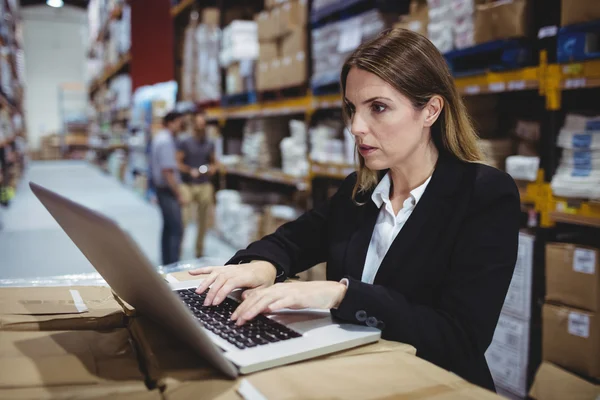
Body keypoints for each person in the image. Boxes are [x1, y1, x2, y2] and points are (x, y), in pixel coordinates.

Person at [189, 29, 520, 391]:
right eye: (352, 109)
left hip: (433, 386)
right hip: (356, 377)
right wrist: (263, 265)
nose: (356, 128)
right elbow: (293, 241)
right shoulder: (360, 191)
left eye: (378, 108)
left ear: (430, 110)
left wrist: (340, 295)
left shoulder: (483, 195)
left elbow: (459, 337)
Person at [177, 109, 218, 258]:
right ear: (193, 125)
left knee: (203, 221)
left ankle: (199, 250)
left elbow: (214, 163)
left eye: (203, 125)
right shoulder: (185, 142)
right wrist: (190, 171)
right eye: (198, 125)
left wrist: (211, 169)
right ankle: (178, 250)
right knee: (184, 220)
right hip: (187, 184)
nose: (201, 128)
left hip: (204, 183)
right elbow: (178, 163)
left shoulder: (209, 143)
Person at [150, 111, 186, 265]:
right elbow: (167, 171)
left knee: (168, 227)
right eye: (179, 122)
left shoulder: (160, 137)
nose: (181, 126)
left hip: (162, 189)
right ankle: (173, 265)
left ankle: (167, 262)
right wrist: (178, 193)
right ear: (171, 122)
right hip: (167, 190)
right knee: (176, 229)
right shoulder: (166, 141)